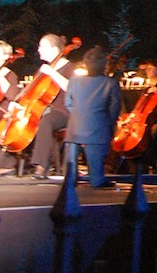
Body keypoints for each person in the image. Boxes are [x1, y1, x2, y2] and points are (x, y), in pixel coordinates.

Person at [64, 46, 122, 188]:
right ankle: (97, 180)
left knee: (71, 164)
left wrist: (79, 115)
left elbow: (68, 103)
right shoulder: (111, 83)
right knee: (96, 166)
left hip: (75, 127)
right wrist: (108, 123)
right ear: (104, 65)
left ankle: (71, 179)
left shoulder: (74, 81)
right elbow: (115, 107)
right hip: (98, 126)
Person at [30, 34, 78, 180]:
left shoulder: (70, 68)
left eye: (42, 46)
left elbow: (71, 88)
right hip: (48, 109)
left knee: (46, 121)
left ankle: (41, 165)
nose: (38, 50)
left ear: (54, 49)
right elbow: (32, 91)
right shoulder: (45, 68)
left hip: (66, 111)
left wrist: (52, 73)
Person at [0, 41, 22, 175]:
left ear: (6, 57)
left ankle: (7, 164)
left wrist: (0, 76)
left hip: (4, 112)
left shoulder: (10, 75)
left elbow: (13, 95)